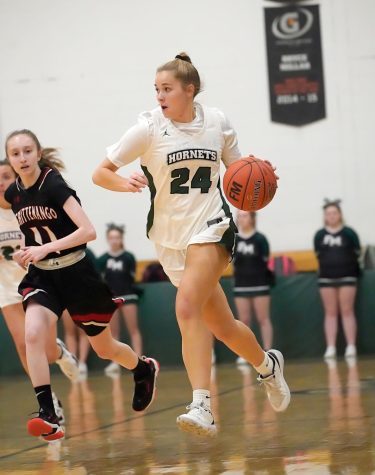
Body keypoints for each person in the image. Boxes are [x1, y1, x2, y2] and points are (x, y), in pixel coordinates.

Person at [93, 52, 290, 436]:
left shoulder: (216, 122)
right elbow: (100, 173)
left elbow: (238, 173)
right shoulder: (147, 129)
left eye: (167, 89)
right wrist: (125, 182)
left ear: (190, 90)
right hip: (169, 239)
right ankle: (267, 366)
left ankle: (202, 404)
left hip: (212, 226)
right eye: (156, 89)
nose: (159, 96)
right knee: (222, 325)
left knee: (186, 307)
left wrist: (260, 175)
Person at [4, 130, 159, 442]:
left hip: (77, 272)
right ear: (9, 158)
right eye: (15, 153)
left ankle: (142, 369)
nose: (22, 158)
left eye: (27, 151)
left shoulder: (54, 184)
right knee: (32, 333)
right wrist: (27, 251)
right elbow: (34, 232)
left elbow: (88, 231)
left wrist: (45, 248)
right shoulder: (13, 194)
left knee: (104, 349)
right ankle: (48, 413)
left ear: (37, 153)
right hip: (44, 276)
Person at [0, 158, 80, 426]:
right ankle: (49, 401)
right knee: (23, 343)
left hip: (37, 278)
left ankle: (58, 353)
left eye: (6, 176)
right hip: (5, 286)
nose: (1, 183)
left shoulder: (29, 203)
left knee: (43, 349)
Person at [314, 200, 361, 359]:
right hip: (327, 277)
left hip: (348, 276)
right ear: (325, 217)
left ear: (340, 215)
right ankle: (331, 347)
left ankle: (351, 346)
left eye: (334, 213)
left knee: (347, 311)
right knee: (330, 312)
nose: (332, 216)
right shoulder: (320, 235)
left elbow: (357, 252)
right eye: (328, 214)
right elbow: (318, 255)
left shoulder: (349, 233)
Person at [97, 223, 143, 374]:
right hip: (111, 299)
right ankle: (115, 363)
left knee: (133, 329)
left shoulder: (128, 257)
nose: (114, 240)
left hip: (128, 296)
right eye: (111, 237)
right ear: (107, 239)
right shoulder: (102, 259)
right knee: (113, 332)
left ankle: (140, 360)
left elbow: (131, 277)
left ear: (121, 238)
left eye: (117, 237)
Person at [233, 211, 274, 363]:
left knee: (263, 318)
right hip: (241, 284)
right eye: (240, 216)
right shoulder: (234, 240)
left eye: (245, 216)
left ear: (252, 218)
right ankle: (244, 353)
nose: (242, 219)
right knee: (243, 320)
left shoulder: (260, 239)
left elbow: (265, 260)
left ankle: (268, 351)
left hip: (260, 282)